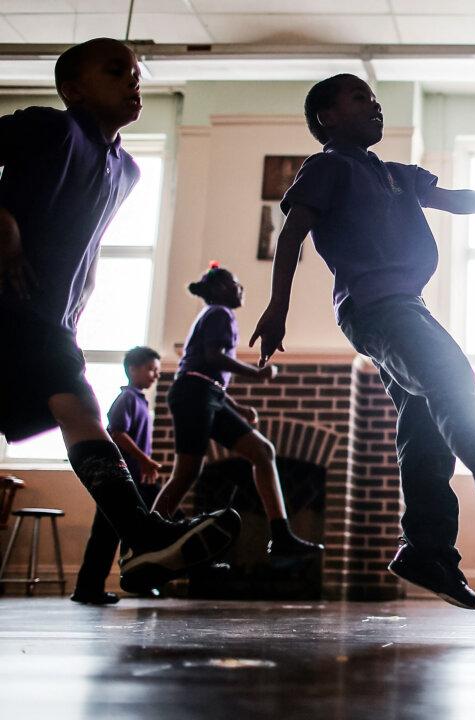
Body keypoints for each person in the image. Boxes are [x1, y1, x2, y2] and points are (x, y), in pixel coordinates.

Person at [249, 74, 475, 610]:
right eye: (359, 98)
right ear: (326, 118)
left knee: (425, 424)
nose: (374, 106)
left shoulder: (396, 175)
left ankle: (427, 551)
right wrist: (277, 307)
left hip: (405, 304)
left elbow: (458, 199)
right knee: (453, 380)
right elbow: (291, 234)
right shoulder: (327, 167)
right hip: (375, 305)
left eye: (375, 98)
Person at [0, 38, 238, 595]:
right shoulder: (49, 128)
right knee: (80, 409)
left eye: (136, 73)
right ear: (73, 90)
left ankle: (143, 537)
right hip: (10, 303)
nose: (133, 81)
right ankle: (143, 535)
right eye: (116, 71)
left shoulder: (126, 169)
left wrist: (79, 299)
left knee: (80, 411)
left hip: (49, 318)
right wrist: (4, 224)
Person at [152, 264, 323, 559]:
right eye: (236, 283)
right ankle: (145, 536)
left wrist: (236, 407)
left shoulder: (215, 315)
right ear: (220, 289)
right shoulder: (220, 313)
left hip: (206, 394)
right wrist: (257, 373)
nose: (240, 288)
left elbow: (209, 376)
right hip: (193, 395)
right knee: (187, 472)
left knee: (263, 451)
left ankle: (281, 536)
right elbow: (212, 358)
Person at [71, 347, 163, 605]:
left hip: (133, 480)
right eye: (151, 369)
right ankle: (88, 588)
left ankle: (135, 582)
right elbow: (117, 432)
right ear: (133, 369)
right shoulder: (128, 398)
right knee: (105, 534)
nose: (155, 375)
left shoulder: (141, 401)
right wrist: (144, 460)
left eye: (157, 370)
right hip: (118, 480)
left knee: (125, 534)